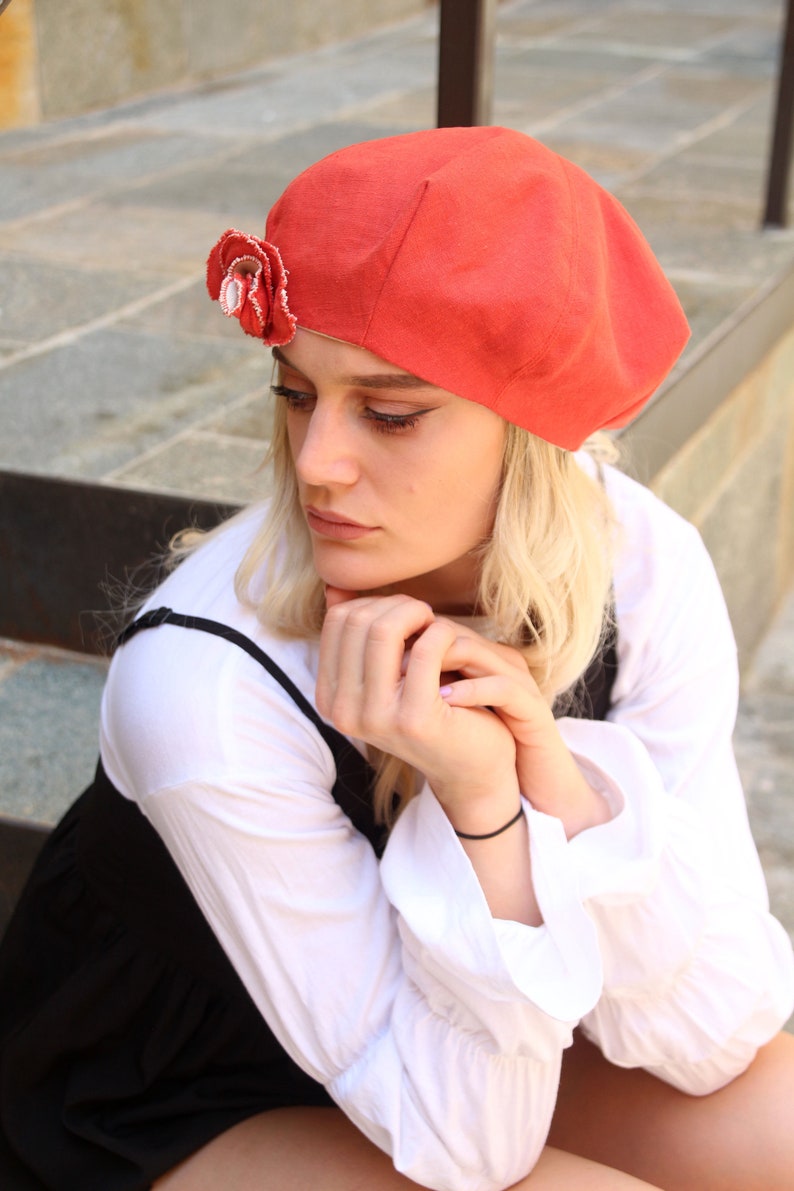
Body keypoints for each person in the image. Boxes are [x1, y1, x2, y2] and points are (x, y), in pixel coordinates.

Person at [0, 126, 792, 1191]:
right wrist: (480, 810)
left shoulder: (644, 568)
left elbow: (722, 1029)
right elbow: (468, 1147)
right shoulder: (204, 688)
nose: (317, 464)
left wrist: (557, 792)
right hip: (188, 1083)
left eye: (388, 412)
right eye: (294, 394)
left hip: (480, 1023)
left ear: (529, 433)